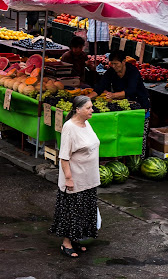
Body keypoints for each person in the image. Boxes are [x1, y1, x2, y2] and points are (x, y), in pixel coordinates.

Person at [50, 96, 100, 258]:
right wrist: (69, 178)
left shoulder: (86, 123)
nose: (92, 110)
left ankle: (76, 239)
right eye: (88, 108)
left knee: (84, 211)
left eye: (91, 107)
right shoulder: (69, 127)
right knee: (72, 212)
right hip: (76, 179)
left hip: (89, 178)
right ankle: (66, 243)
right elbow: (64, 157)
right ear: (77, 110)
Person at [88, 50, 151, 157]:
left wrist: (113, 95)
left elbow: (131, 90)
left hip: (140, 105)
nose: (114, 66)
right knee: (123, 132)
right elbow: (99, 88)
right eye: (112, 63)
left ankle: (139, 158)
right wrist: (86, 99)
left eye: (116, 64)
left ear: (123, 62)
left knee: (138, 133)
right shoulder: (111, 72)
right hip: (124, 106)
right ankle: (123, 157)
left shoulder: (133, 71)